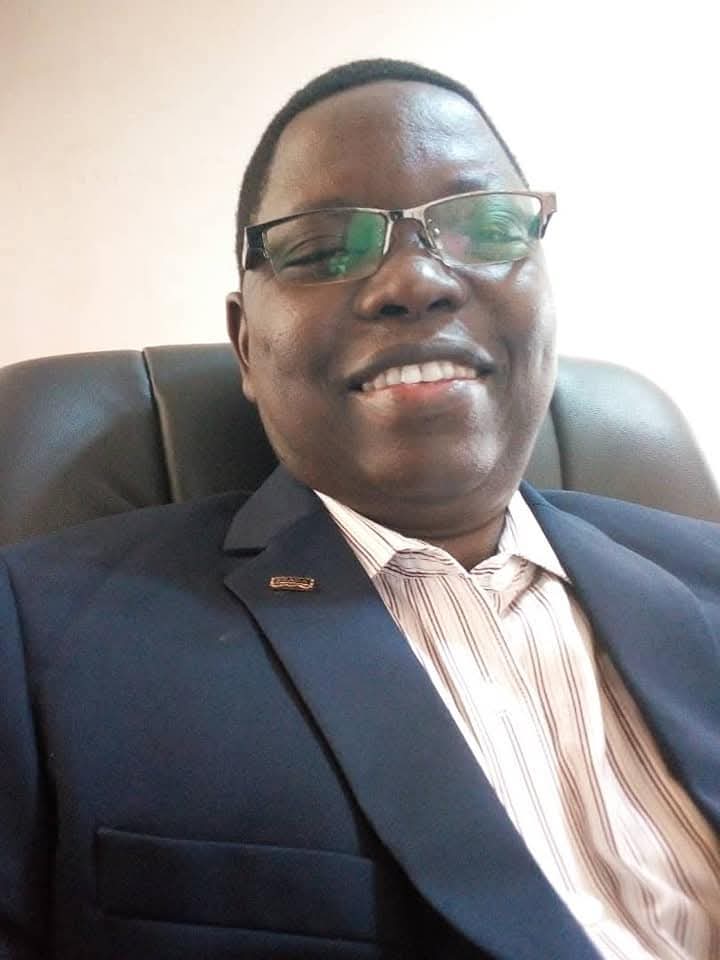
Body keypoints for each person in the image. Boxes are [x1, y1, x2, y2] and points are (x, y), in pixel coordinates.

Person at [1, 58, 718, 960]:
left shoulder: (704, 573)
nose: (414, 282)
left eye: (485, 225)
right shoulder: (36, 636)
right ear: (246, 347)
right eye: (320, 248)